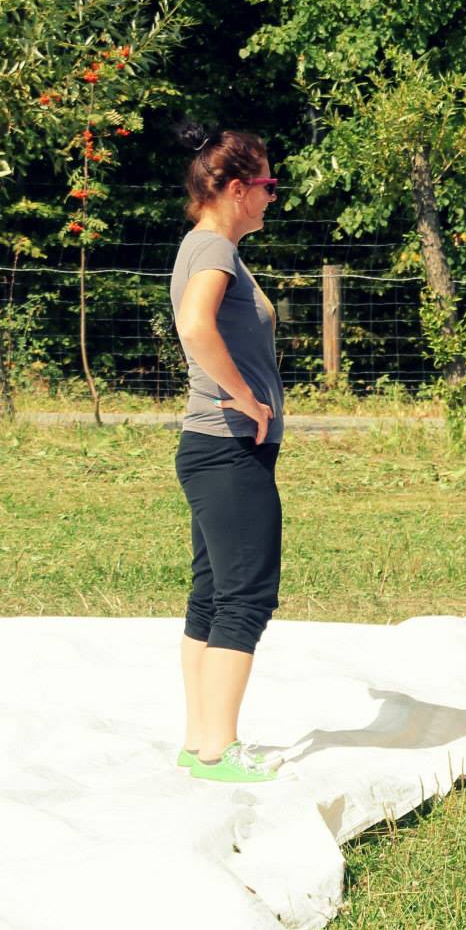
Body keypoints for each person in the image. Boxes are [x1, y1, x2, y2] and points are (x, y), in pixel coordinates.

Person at [169, 124, 286, 783]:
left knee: (213, 595)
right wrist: (244, 396)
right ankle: (219, 749)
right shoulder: (214, 247)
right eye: (267, 184)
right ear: (238, 189)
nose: (272, 197)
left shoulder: (205, 245)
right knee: (246, 596)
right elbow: (194, 327)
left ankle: (200, 742)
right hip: (227, 449)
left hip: (212, 450)